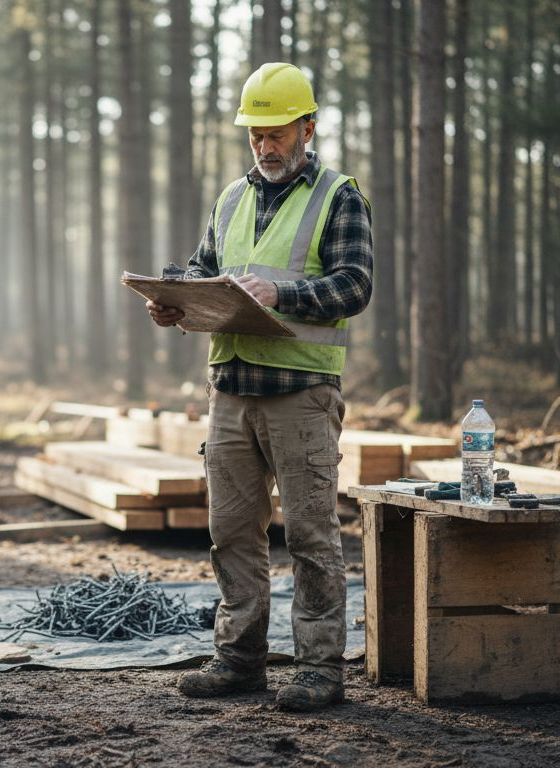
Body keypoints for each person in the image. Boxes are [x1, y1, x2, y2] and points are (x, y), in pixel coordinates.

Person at [146, 62, 373, 712]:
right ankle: (240, 660)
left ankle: (319, 668)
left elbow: (355, 285)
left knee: (310, 536)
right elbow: (203, 270)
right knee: (233, 533)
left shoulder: (339, 196)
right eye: (256, 136)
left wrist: (285, 292)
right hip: (231, 393)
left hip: (302, 396)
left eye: (277, 134)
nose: (266, 147)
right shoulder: (231, 199)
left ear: (307, 127)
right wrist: (174, 300)